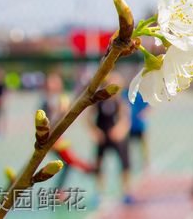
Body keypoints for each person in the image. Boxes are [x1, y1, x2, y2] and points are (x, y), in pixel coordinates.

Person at [41, 72, 94, 197]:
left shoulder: (59, 98)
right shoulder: (47, 102)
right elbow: (48, 122)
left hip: (58, 137)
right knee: (69, 161)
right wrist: (60, 113)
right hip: (51, 138)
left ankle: (58, 191)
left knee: (66, 163)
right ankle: (89, 169)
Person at [87, 73, 133, 205]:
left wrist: (120, 130)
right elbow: (88, 119)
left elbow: (125, 119)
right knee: (99, 165)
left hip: (118, 138)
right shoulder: (99, 102)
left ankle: (126, 192)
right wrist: (95, 132)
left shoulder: (120, 102)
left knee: (124, 164)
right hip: (103, 137)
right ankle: (99, 193)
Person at [125, 90, 150, 169]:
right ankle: (129, 162)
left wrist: (143, 113)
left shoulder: (141, 94)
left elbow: (148, 105)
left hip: (140, 124)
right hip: (129, 125)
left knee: (143, 145)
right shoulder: (125, 93)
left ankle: (146, 163)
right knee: (128, 146)